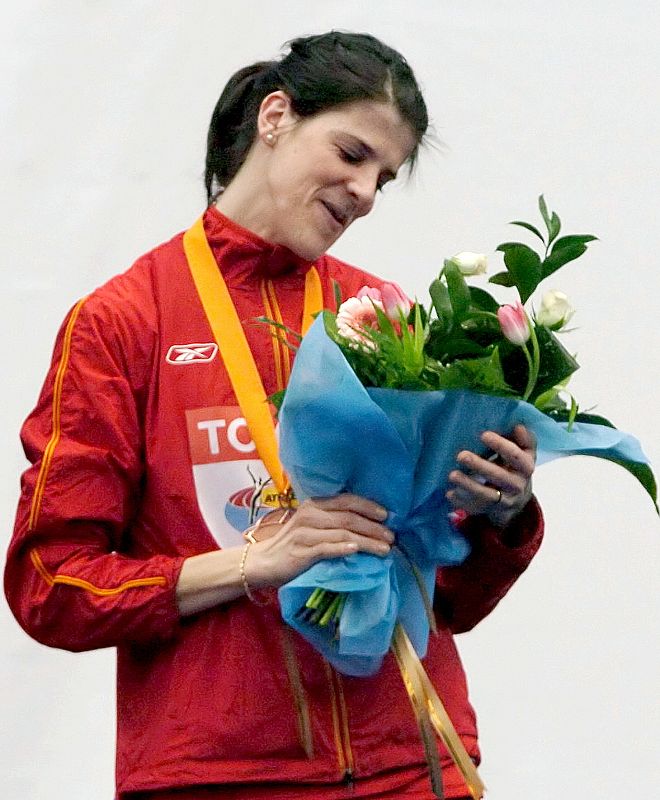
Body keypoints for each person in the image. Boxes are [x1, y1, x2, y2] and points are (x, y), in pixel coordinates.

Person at [4, 31, 542, 800]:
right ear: (277, 116)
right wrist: (252, 566)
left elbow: (450, 599)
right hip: (223, 777)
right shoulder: (124, 321)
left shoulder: (384, 317)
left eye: (383, 178)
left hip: (412, 761)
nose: (364, 192)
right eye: (352, 153)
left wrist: (500, 512)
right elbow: (51, 584)